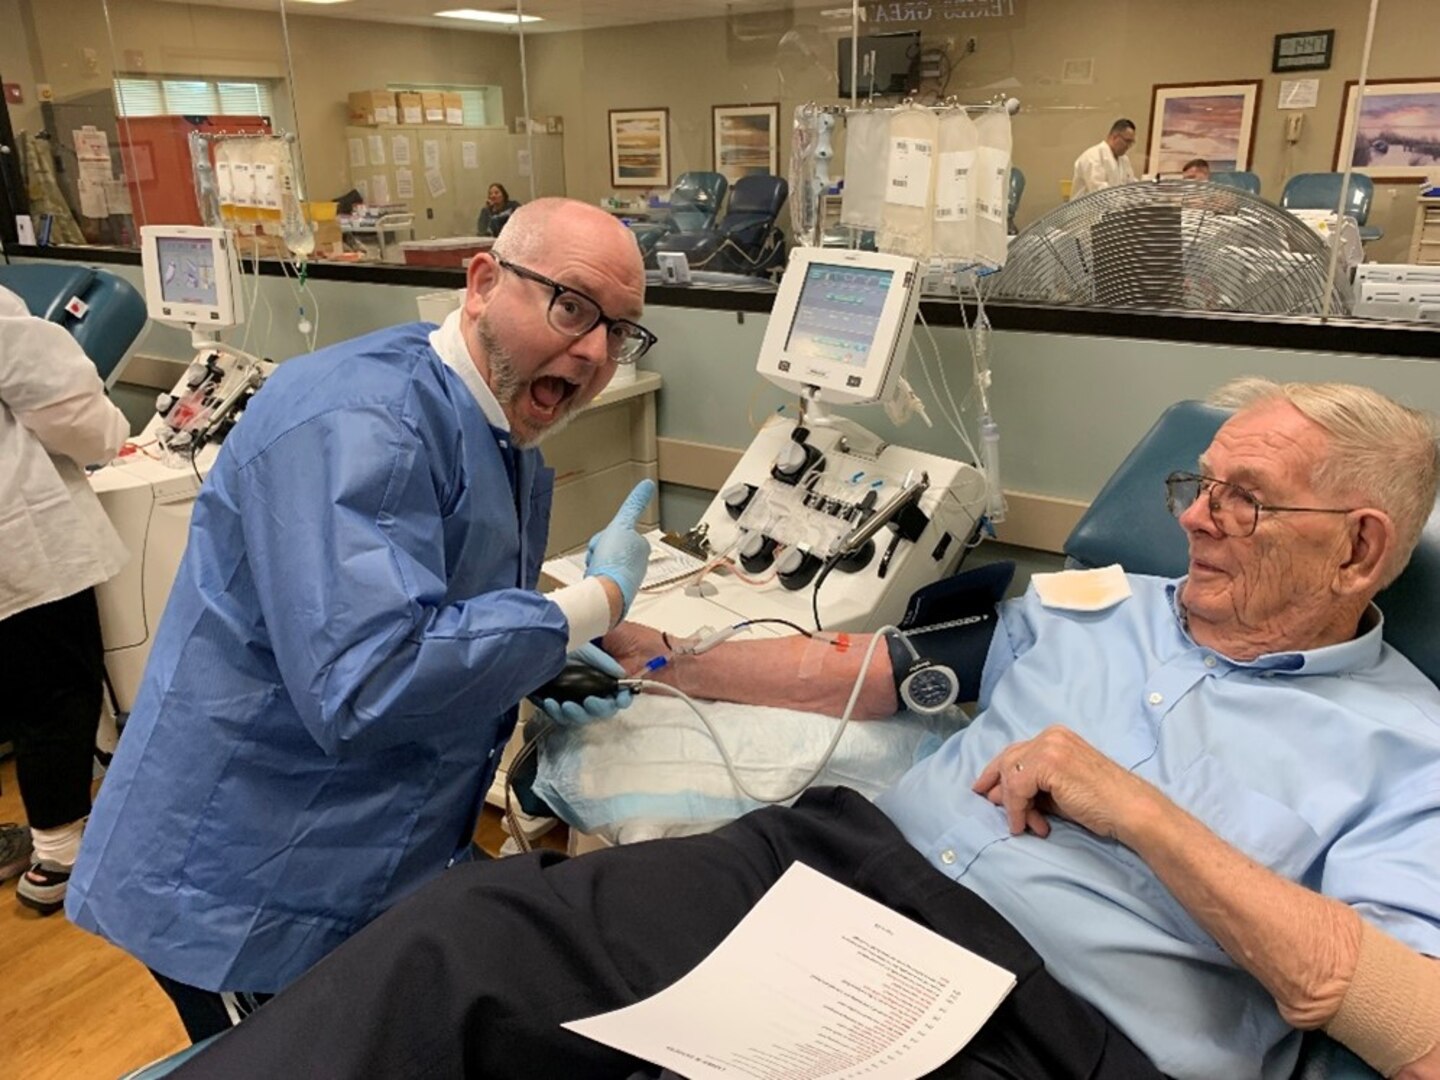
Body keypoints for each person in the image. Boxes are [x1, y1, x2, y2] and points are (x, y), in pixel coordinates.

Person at [165, 378, 1440, 1080]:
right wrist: (671, 655)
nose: (1197, 521)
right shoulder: (1093, 603)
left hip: (1053, 1026)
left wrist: (1143, 814)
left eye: (1244, 502)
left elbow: (1411, 1026)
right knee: (466, 931)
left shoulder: (1405, 750)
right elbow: (887, 669)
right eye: (1197, 486)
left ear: (1363, 546)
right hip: (832, 874)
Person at [66, 198, 662, 1041]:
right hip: (249, 888)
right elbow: (368, 682)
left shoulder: (485, 423)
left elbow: (442, 610)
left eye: (623, 330)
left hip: (367, 849)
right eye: (572, 305)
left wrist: (540, 655)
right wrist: (591, 605)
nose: (598, 349)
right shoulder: (359, 421)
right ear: (484, 283)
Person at [0, 284, 129, 915]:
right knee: (52, 690)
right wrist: (111, 436)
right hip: (19, 543)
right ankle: (58, 856)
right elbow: (69, 410)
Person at [1071, 118, 1138, 199]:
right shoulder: (1092, 157)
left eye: (1131, 142)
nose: (1129, 146)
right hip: (1088, 210)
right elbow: (1100, 194)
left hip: (1114, 208)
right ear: (1114, 137)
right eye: (1127, 141)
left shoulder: (1124, 159)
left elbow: (1131, 184)